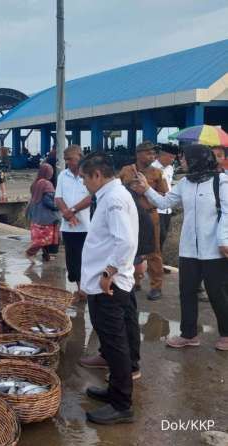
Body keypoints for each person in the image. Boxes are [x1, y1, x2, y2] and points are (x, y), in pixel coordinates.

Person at [133, 145, 228, 351]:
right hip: (189, 250)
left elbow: (227, 213)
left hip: (214, 249)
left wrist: (223, 240)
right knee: (186, 292)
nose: (181, 161)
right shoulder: (185, 183)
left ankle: (226, 333)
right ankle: (189, 334)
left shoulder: (220, 182)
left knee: (217, 292)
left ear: (197, 160)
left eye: (185, 159)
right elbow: (165, 201)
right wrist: (146, 188)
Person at [79, 152, 139, 425]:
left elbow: (125, 242)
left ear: (97, 175)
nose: (84, 183)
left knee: (115, 343)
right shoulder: (111, 195)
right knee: (114, 339)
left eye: (84, 178)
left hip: (109, 285)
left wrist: (108, 272)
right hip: (107, 282)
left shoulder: (113, 199)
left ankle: (122, 404)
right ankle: (115, 391)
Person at [120, 141, 168, 301]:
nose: (152, 156)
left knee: (154, 252)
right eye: (149, 153)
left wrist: (146, 190)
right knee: (131, 249)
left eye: (154, 154)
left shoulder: (157, 173)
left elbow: (165, 197)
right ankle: (134, 281)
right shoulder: (126, 170)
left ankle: (156, 286)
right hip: (130, 216)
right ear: (138, 154)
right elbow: (116, 190)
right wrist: (129, 187)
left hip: (150, 215)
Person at [55, 146, 92, 292]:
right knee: (72, 260)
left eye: (71, 159)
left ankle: (88, 289)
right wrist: (66, 213)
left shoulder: (89, 174)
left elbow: (91, 197)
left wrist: (72, 210)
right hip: (69, 226)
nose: (68, 162)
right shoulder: (63, 175)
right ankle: (80, 288)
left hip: (88, 225)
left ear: (80, 156)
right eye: (66, 160)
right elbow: (58, 197)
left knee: (88, 259)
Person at [25, 163, 61, 264]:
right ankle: (29, 253)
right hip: (46, 217)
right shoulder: (46, 184)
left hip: (35, 215)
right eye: (50, 172)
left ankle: (46, 256)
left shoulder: (36, 182)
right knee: (46, 238)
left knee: (41, 238)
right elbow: (48, 201)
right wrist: (59, 206)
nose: (51, 173)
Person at [150, 144, 177, 252]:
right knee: (156, 237)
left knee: (163, 237)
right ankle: (153, 263)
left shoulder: (170, 168)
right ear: (163, 155)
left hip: (167, 209)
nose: (173, 160)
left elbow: (169, 186)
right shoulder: (152, 168)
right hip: (156, 208)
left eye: (174, 158)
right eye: (171, 157)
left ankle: (158, 261)